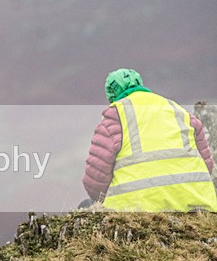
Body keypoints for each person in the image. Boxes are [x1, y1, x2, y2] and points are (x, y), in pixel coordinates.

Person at [82, 68, 217, 212]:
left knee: (85, 205)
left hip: (136, 208)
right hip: (197, 204)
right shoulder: (178, 110)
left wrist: (102, 199)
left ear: (111, 95)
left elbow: (95, 181)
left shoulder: (115, 117)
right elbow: (206, 165)